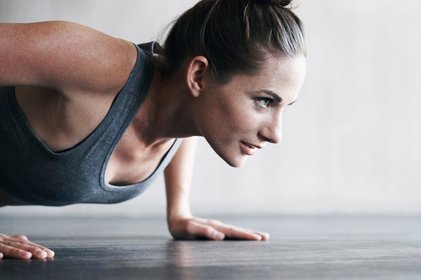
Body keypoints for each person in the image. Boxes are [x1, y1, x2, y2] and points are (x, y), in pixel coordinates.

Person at [0, 0, 306, 260]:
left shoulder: (183, 110)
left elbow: (186, 121)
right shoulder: (99, 64)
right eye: (264, 101)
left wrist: (179, 212)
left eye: (284, 107)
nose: (275, 133)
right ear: (198, 75)